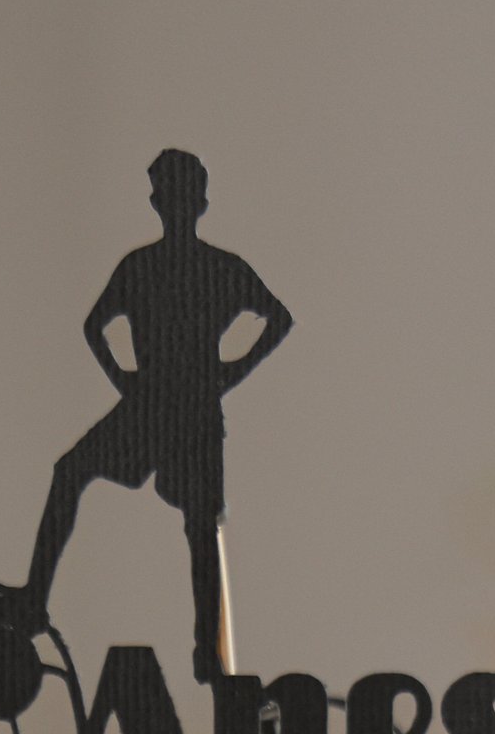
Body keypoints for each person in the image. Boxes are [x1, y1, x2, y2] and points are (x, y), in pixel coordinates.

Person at [18, 147, 291, 687]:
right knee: (72, 473)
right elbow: (95, 326)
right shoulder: (142, 267)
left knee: (199, 529)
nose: (173, 203)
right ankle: (33, 600)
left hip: (189, 409)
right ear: (158, 201)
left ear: (196, 201)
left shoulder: (218, 269)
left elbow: (278, 318)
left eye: (179, 193)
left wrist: (233, 370)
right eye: (166, 193)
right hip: (153, 405)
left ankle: (205, 653)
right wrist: (125, 381)